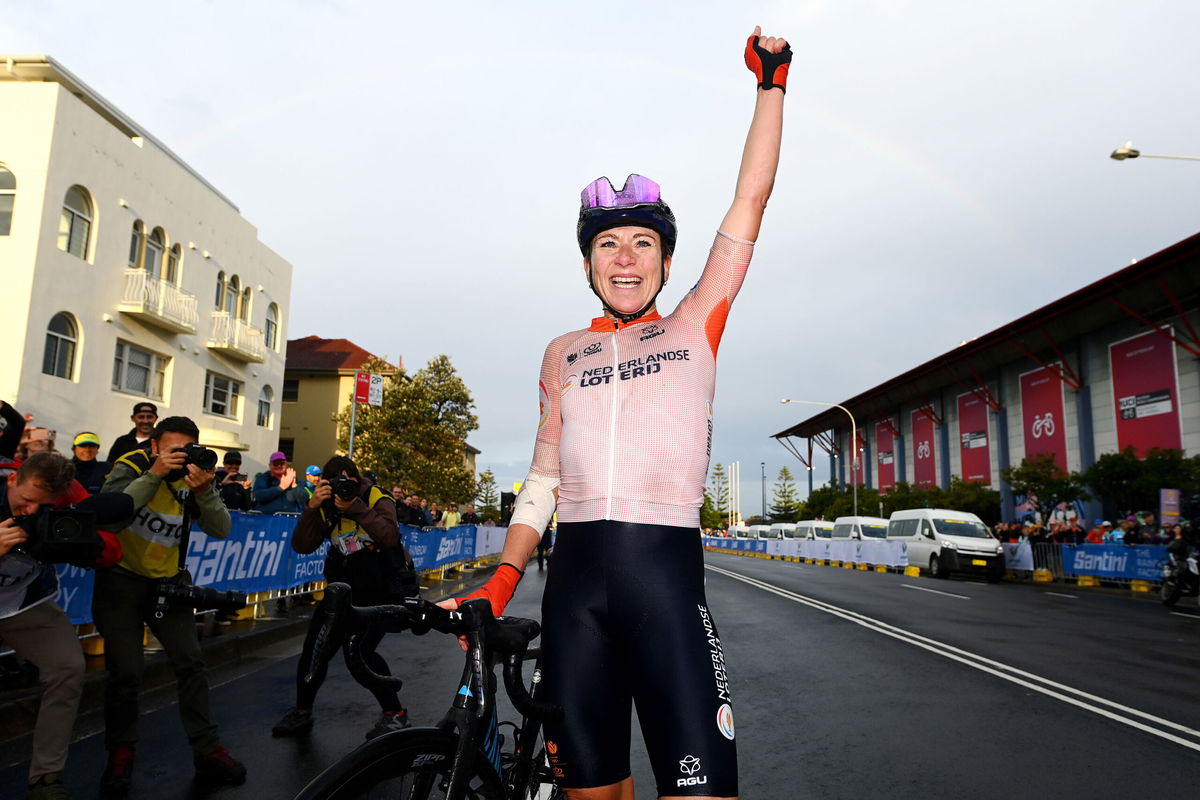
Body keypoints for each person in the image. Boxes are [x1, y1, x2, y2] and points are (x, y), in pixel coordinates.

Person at [441, 28, 789, 800]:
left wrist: (772, 86)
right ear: (589, 263)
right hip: (573, 600)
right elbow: (541, 479)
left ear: (667, 261)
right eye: (608, 244)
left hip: (666, 594)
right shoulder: (562, 351)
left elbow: (751, 201)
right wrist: (502, 579)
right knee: (591, 797)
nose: (625, 257)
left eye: (642, 243)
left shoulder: (696, 324)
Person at [94, 417, 246, 795]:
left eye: (186, 449)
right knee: (126, 672)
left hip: (169, 582)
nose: (179, 457)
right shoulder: (131, 464)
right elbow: (110, 516)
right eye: (171, 450)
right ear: (154, 447)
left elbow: (221, 529)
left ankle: (207, 749)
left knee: (191, 662)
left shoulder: (195, 477)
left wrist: (206, 492)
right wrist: (154, 474)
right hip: (122, 579)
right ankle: (121, 752)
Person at [0, 454, 127, 800]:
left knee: (68, 667)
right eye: (25, 502)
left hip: (23, 601)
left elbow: (109, 546)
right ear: (12, 480)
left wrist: (84, 544)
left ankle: (46, 778)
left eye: (43, 506)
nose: (30, 512)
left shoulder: (67, 495)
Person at [271, 456, 418, 740]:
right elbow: (302, 545)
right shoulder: (325, 502)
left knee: (360, 653)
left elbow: (390, 536)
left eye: (348, 482)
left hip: (379, 593)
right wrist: (312, 507)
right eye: (336, 482)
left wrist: (357, 509)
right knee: (315, 650)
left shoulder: (375, 496)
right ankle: (302, 710)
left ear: (357, 478)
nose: (343, 488)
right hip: (340, 590)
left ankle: (395, 714)